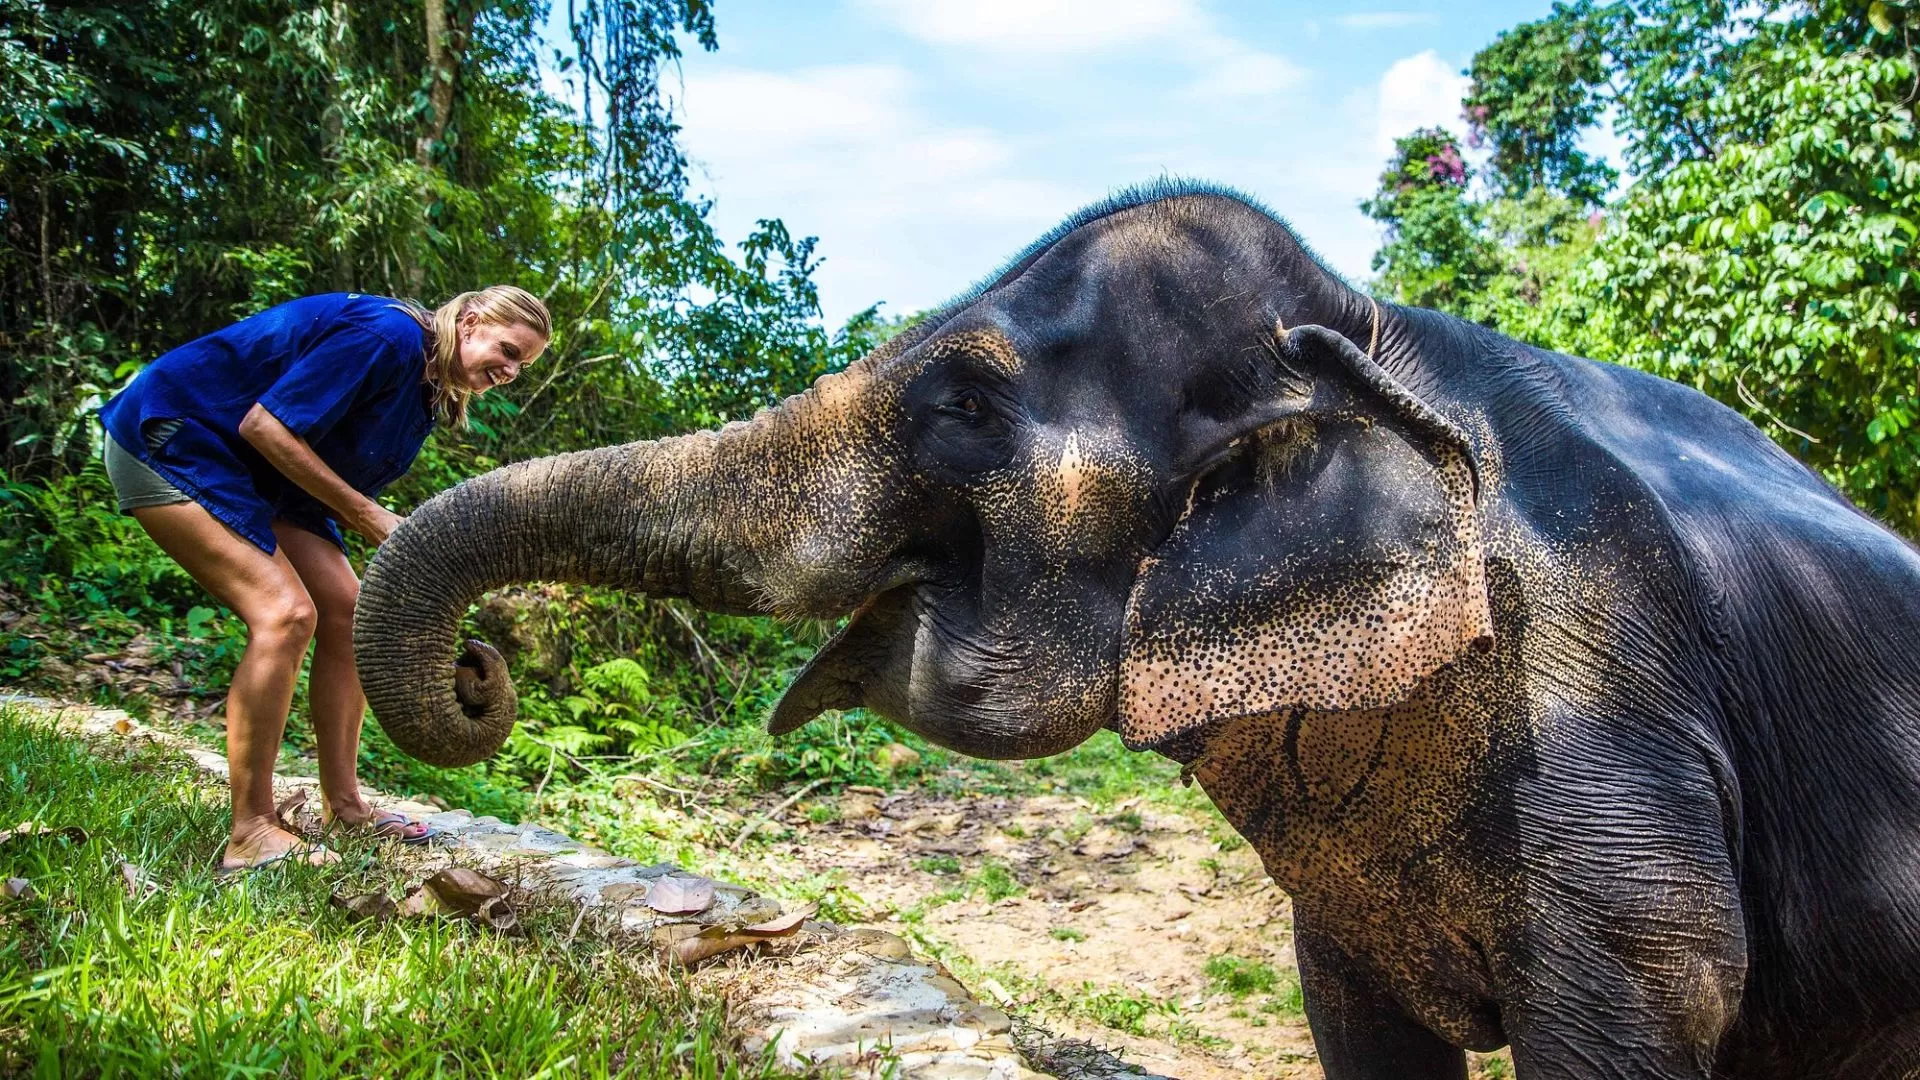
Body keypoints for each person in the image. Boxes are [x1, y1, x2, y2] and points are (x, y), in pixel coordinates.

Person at [98, 287, 551, 873]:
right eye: (509, 349)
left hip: (258, 480)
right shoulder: (387, 338)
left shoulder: (425, 390)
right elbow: (265, 426)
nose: (512, 371)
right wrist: (368, 516)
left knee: (350, 614)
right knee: (285, 614)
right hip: (174, 441)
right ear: (468, 321)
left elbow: (322, 470)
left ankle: (344, 806)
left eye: (524, 365)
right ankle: (251, 830)